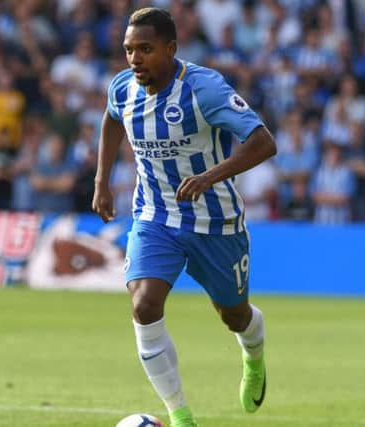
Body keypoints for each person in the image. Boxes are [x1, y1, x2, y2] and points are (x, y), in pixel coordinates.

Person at [91, 8, 277, 427]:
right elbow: (111, 119)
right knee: (144, 304)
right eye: (128, 50)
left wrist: (209, 177)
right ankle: (180, 417)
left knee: (234, 315)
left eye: (145, 49)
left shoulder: (203, 89)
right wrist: (102, 179)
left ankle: (253, 352)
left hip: (215, 222)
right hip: (155, 216)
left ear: (171, 49)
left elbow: (263, 142)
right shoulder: (123, 88)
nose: (135, 59)